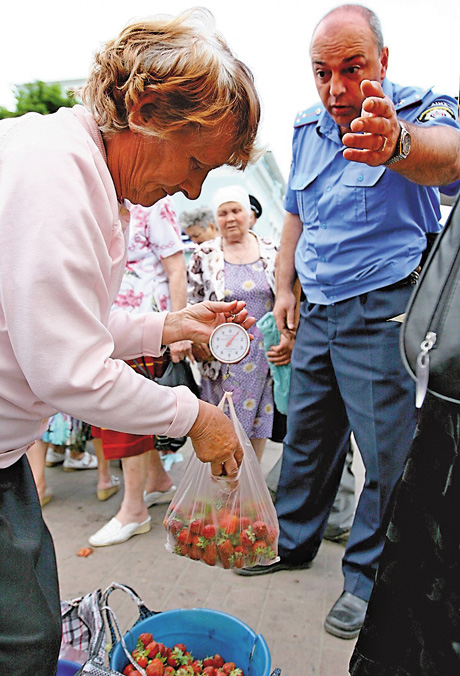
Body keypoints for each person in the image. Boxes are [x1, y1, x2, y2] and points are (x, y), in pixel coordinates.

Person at [0, 9, 260, 675]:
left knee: (29, 628)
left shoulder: (87, 177)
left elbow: (60, 324)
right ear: (145, 109)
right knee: (22, 642)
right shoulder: (58, 180)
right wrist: (195, 417)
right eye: (198, 161)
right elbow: (68, 368)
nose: (194, 188)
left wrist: (168, 325)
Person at [235, 2, 460, 644]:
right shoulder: (308, 125)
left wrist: (399, 144)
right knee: (306, 436)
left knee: (388, 453)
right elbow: (295, 214)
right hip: (318, 311)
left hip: (384, 307)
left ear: (383, 63)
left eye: (353, 69)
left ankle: (368, 578)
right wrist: (285, 285)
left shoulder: (422, 106)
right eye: (321, 72)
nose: (336, 89)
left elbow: (450, 156)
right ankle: (293, 540)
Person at [89, 196, 192, 547]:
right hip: (109, 324)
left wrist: (180, 329)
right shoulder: (102, 198)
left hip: (145, 324)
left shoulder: (153, 205)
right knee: (127, 416)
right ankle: (159, 481)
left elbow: (176, 267)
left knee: (124, 414)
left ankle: (134, 510)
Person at [187, 185, 292, 461]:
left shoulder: (272, 250)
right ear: (215, 219)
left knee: (257, 428)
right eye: (223, 213)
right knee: (222, 429)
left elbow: (286, 296)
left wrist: (287, 336)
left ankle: (248, 491)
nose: (230, 218)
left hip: (263, 357)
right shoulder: (204, 254)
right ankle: (225, 491)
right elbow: (192, 302)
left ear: (250, 214)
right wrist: (195, 341)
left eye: (236, 210)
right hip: (220, 358)